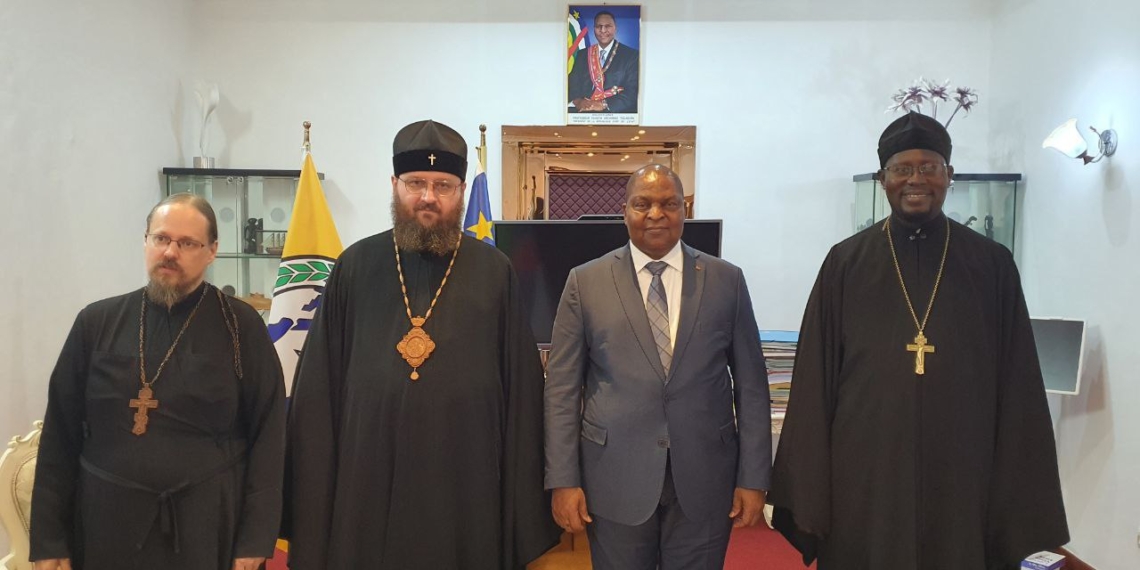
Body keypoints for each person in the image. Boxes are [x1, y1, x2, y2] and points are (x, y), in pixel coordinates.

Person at [769, 112, 1069, 569]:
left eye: (929, 168)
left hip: (965, 468)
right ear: (882, 179)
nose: (916, 180)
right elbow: (814, 379)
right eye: (902, 169)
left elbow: (1019, 379)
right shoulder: (845, 263)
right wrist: (811, 490)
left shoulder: (991, 264)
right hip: (865, 468)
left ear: (949, 176)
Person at [283, 119, 560, 569]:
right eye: (415, 183)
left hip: (466, 479)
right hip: (366, 476)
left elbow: (522, 393)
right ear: (394, 185)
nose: (428, 197)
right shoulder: (355, 266)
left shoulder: (494, 271)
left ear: (461, 191)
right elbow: (317, 390)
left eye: (442, 185)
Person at [30, 194, 286, 570]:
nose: (170, 252)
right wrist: (49, 540)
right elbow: (59, 436)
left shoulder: (240, 327)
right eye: (161, 239)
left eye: (187, 243)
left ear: (212, 251)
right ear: (145, 241)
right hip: (106, 526)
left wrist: (255, 539)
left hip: (206, 528)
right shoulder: (96, 323)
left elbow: (269, 435)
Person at [544, 165, 771, 569]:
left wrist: (753, 477)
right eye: (642, 204)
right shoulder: (585, 282)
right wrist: (564, 479)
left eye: (668, 204)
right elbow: (561, 391)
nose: (655, 214)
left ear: (684, 210)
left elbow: (752, 388)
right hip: (613, 479)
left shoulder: (726, 281)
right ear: (625, 211)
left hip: (705, 479)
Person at [567, 10, 639, 114]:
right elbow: (573, 84)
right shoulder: (583, 54)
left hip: (616, 114)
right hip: (583, 113)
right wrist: (578, 101)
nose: (603, 30)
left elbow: (632, 92)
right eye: (598, 26)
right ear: (594, 29)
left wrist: (602, 104)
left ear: (615, 28)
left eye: (608, 26)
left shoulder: (631, 55)